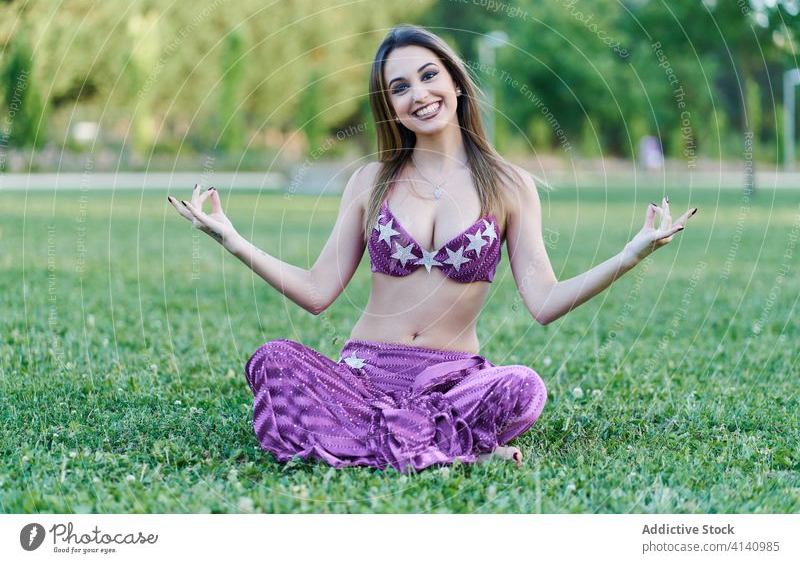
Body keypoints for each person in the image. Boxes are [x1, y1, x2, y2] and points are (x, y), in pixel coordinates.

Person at [167, 24, 697, 473]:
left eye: (428, 76)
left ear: (455, 82)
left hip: (449, 382)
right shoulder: (370, 181)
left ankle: (374, 441)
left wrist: (632, 255)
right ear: (390, 107)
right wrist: (231, 239)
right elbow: (316, 290)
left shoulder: (510, 186)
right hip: (363, 375)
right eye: (400, 87)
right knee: (273, 360)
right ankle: (441, 446)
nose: (419, 94)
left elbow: (544, 300)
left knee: (523, 388)